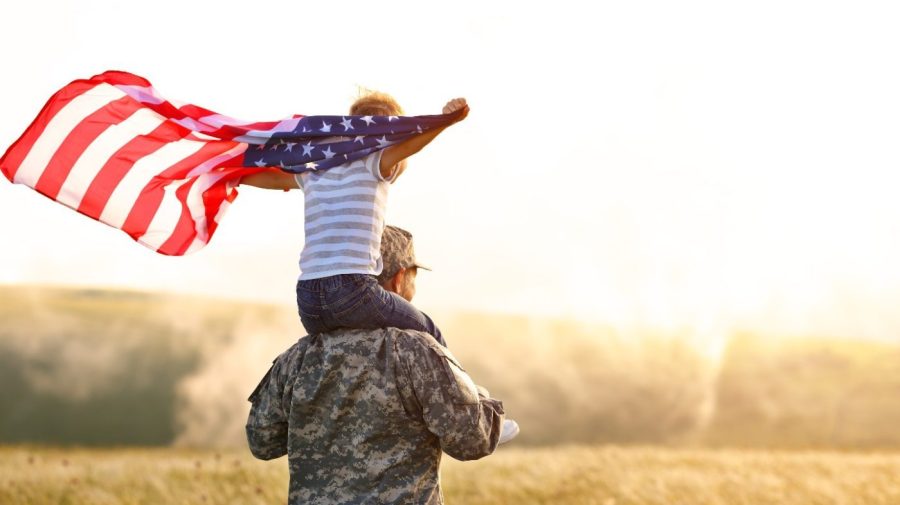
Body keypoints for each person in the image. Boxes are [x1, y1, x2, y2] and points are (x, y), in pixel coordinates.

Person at [246, 225, 518, 504]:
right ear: (399, 279)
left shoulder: (297, 357)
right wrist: (482, 400)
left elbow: (262, 442)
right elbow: (470, 440)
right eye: (413, 276)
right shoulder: (418, 351)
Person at [240, 92, 466, 345]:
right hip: (352, 291)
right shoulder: (374, 162)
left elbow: (271, 179)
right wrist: (446, 121)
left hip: (308, 302)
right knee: (430, 332)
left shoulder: (315, 170)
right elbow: (412, 147)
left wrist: (226, 173)